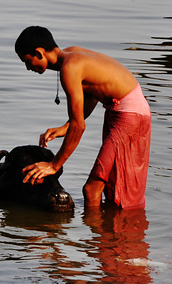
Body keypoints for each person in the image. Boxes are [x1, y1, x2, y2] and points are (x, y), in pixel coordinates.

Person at [15, 26, 151, 209]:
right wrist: (67, 126)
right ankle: (108, 231)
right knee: (108, 183)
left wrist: (54, 165)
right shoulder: (71, 54)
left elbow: (79, 127)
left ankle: (97, 236)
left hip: (129, 115)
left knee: (91, 189)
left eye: (27, 61)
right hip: (120, 111)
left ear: (39, 52)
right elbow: (92, 93)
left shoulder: (69, 68)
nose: (27, 68)